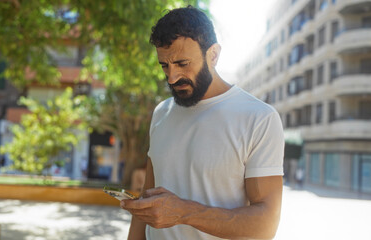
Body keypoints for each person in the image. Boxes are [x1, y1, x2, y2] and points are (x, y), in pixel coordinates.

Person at [121, 6, 285, 240]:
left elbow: (265, 226)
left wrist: (184, 213)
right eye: (164, 66)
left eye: (182, 63)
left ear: (214, 55)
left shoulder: (259, 118)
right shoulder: (161, 113)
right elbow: (148, 200)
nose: (172, 77)